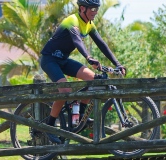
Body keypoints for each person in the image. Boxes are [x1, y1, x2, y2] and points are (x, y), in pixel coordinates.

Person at [40, 0, 126, 144]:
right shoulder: (72, 20)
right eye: (92, 8)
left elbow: (102, 44)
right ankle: (50, 126)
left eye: (96, 9)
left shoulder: (89, 25)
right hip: (50, 60)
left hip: (64, 60)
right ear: (82, 8)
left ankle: (79, 116)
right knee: (65, 90)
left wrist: (118, 64)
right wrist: (88, 57)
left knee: (93, 79)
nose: (95, 11)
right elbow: (77, 41)